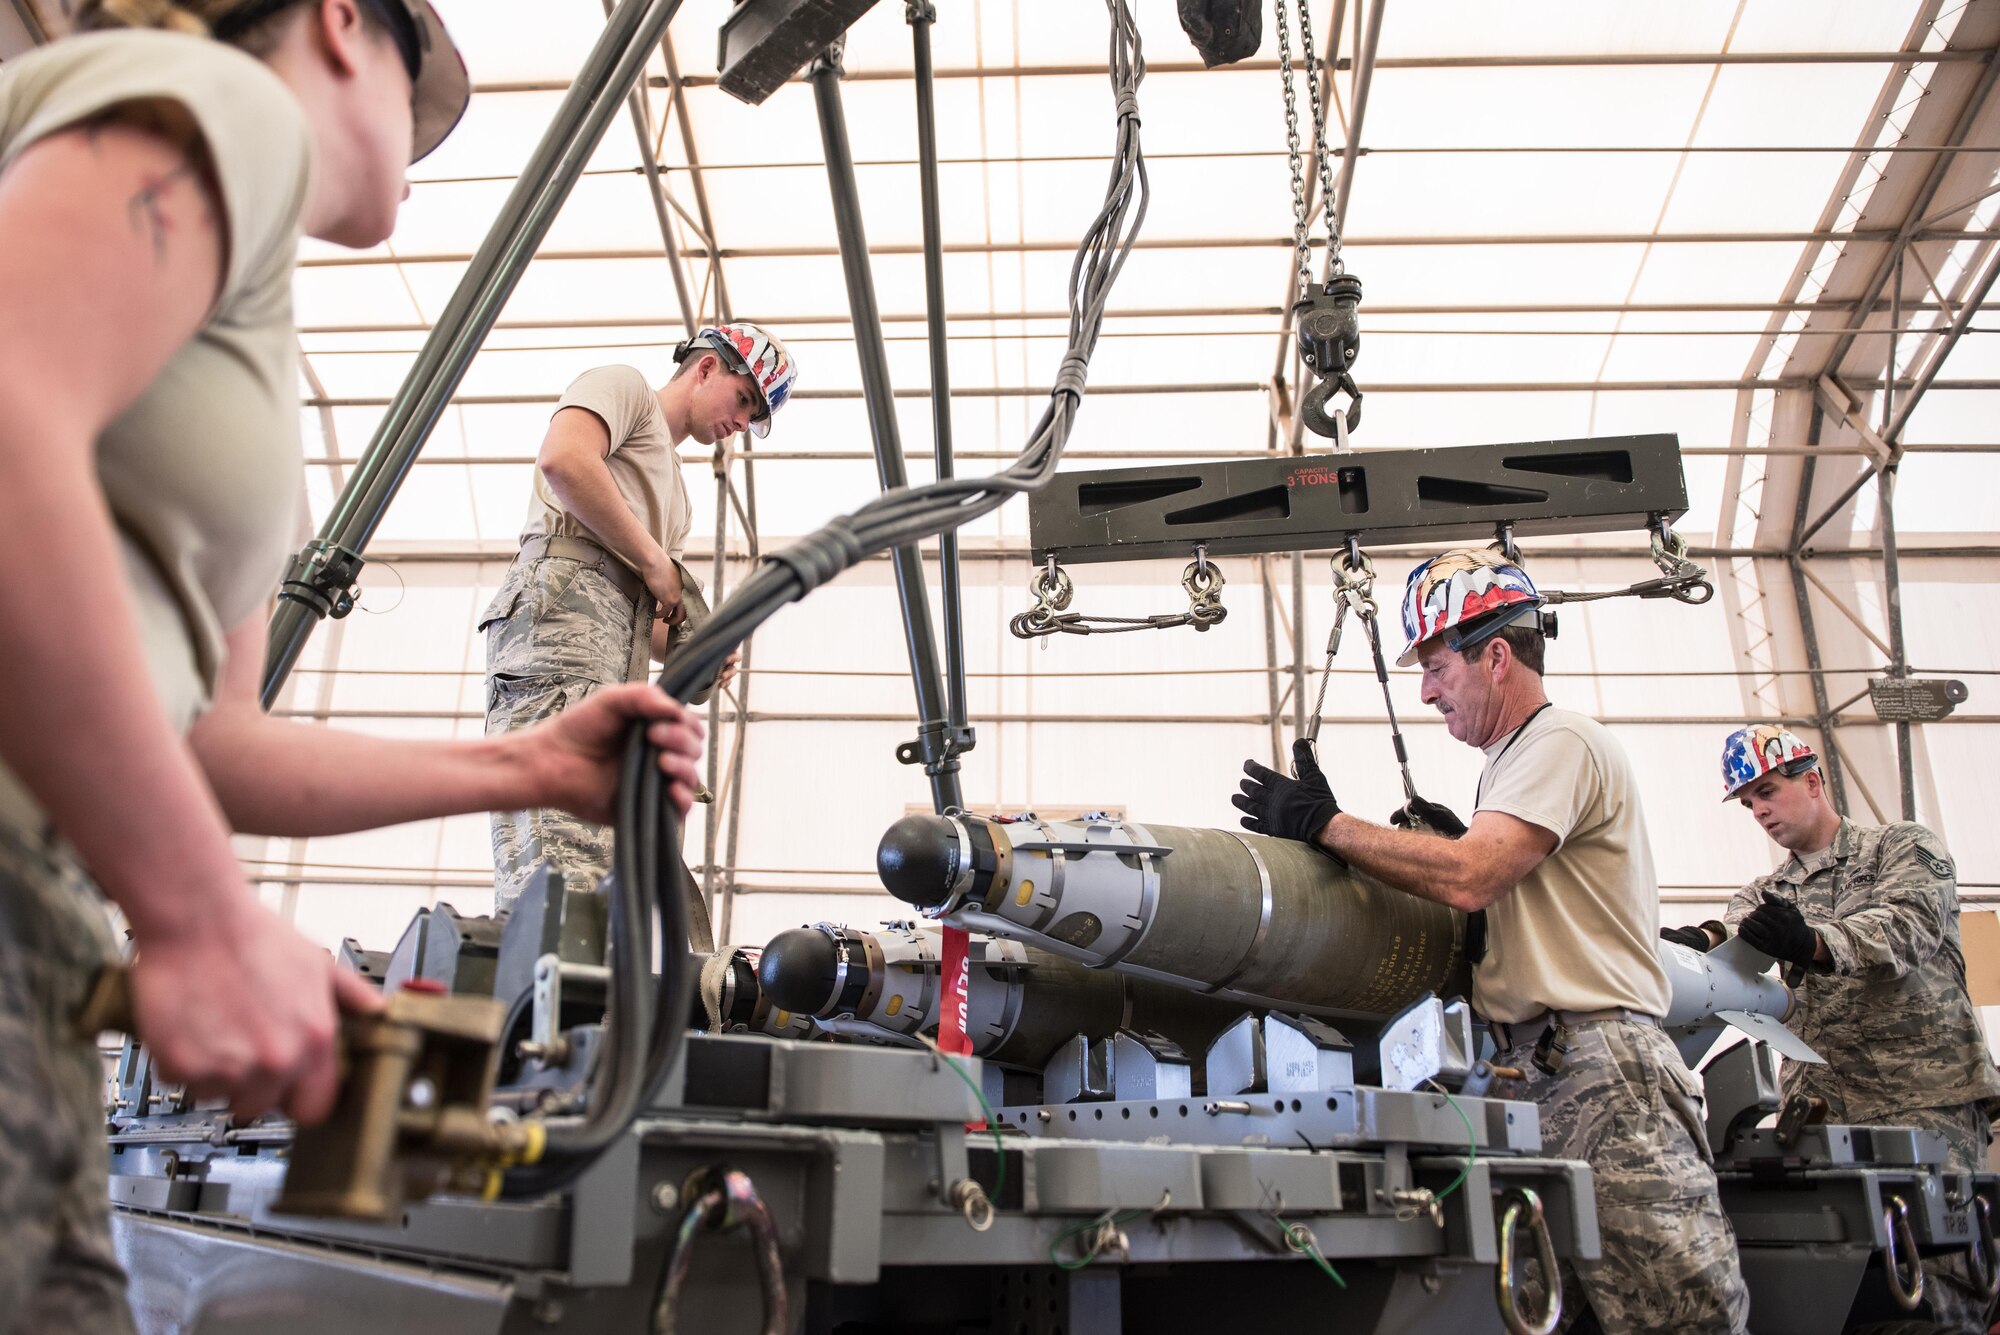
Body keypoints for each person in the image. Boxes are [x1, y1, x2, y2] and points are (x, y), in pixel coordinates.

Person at [0, 4, 706, 1328]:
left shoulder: (238, 342)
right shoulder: (226, 108)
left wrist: (524, 762)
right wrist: (208, 912)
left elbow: (212, 740)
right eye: (413, 84)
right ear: (339, 23)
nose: (419, 135)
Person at [1234, 548, 1749, 1334]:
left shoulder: (1559, 742)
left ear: (1497, 656)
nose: (1427, 689)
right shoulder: (1513, 764)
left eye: (1438, 666)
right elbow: (1496, 892)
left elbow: (1473, 876)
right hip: (1538, 1070)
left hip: (1599, 1073)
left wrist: (1325, 826)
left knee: (1677, 1316)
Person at [1664, 725, 2000, 1334]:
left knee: (1937, 1279)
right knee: (1840, 1280)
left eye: (1766, 791)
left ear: (1812, 781)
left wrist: (1813, 943)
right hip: (1821, 1115)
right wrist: (1696, 946)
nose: (1758, 810)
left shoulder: (1902, 849)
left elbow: (1903, 930)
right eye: (1747, 802)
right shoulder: (1769, 893)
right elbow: (1733, 936)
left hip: (1923, 1101)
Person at [482, 323, 795, 916]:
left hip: (608, 650)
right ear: (706, 369)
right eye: (745, 399)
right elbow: (564, 459)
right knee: (551, 844)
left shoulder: (676, 494)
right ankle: (540, 977)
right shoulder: (623, 389)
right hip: (559, 618)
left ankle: (577, 990)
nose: (742, 423)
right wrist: (655, 560)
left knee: (594, 853)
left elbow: (645, 617)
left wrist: (694, 649)